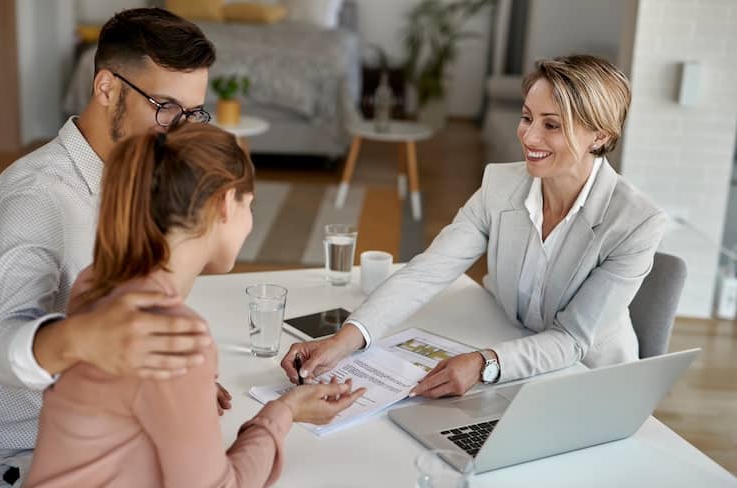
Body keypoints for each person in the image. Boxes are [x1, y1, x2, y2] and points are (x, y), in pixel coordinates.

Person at [0, 9, 230, 488]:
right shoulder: (36, 197)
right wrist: (87, 337)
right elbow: (4, 346)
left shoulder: (133, 181)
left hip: (93, 441)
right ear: (106, 88)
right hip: (11, 462)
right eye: (165, 107)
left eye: (192, 113)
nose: (179, 131)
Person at [282, 55, 667, 398]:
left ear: (600, 135)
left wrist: (485, 363)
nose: (529, 136)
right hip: (506, 346)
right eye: (527, 117)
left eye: (551, 125)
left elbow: (572, 339)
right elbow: (427, 272)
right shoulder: (499, 186)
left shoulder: (635, 223)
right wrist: (345, 340)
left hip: (587, 381)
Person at [15, 124, 365, 488]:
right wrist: (285, 411)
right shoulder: (174, 333)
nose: (250, 221)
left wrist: (186, 392)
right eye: (249, 205)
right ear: (225, 203)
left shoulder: (95, 280)